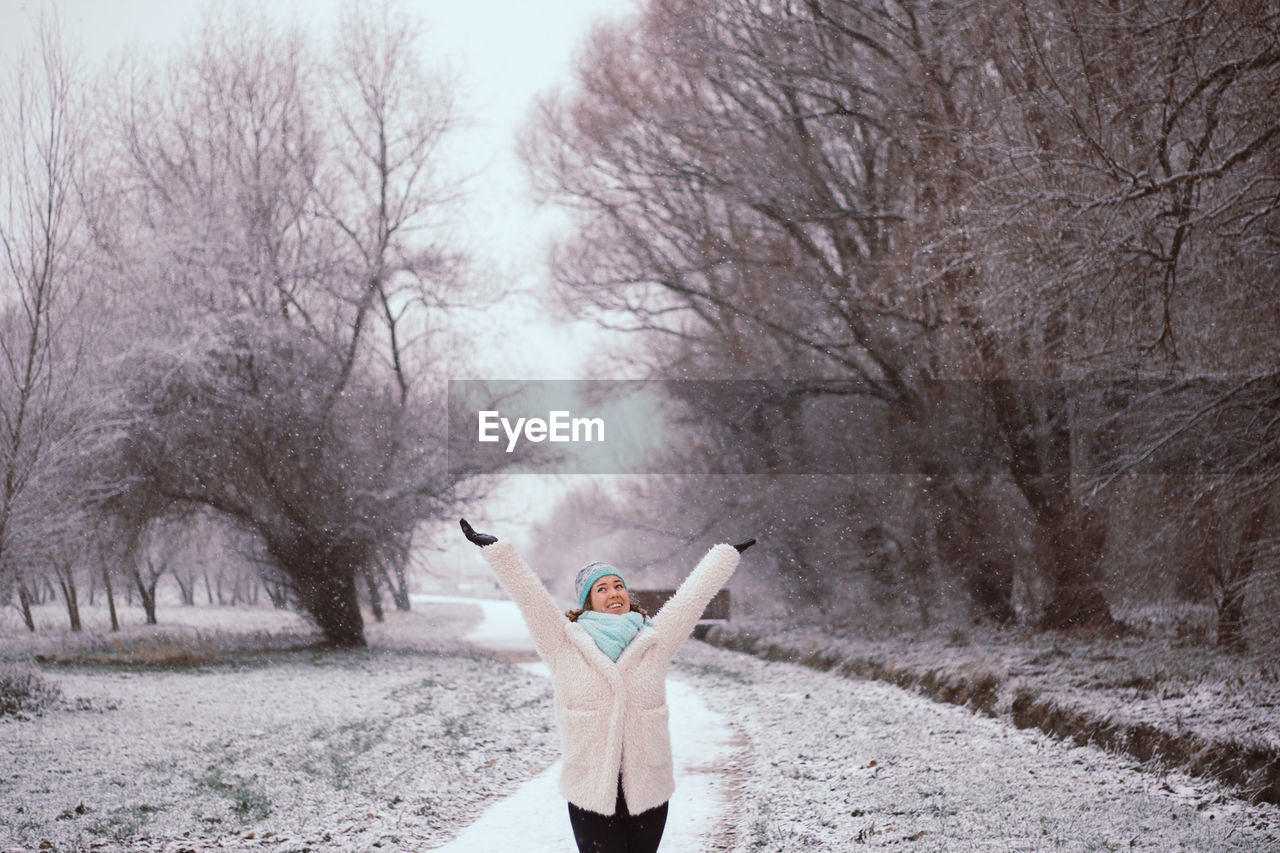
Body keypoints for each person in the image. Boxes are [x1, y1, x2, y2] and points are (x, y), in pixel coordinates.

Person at [459, 518, 755, 853]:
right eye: (602, 589)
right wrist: (498, 552)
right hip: (591, 792)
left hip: (647, 791)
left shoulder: (653, 639)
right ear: (588, 601)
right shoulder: (563, 644)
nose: (614, 593)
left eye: (618, 586)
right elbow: (532, 600)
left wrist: (724, 556)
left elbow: (691, 600)